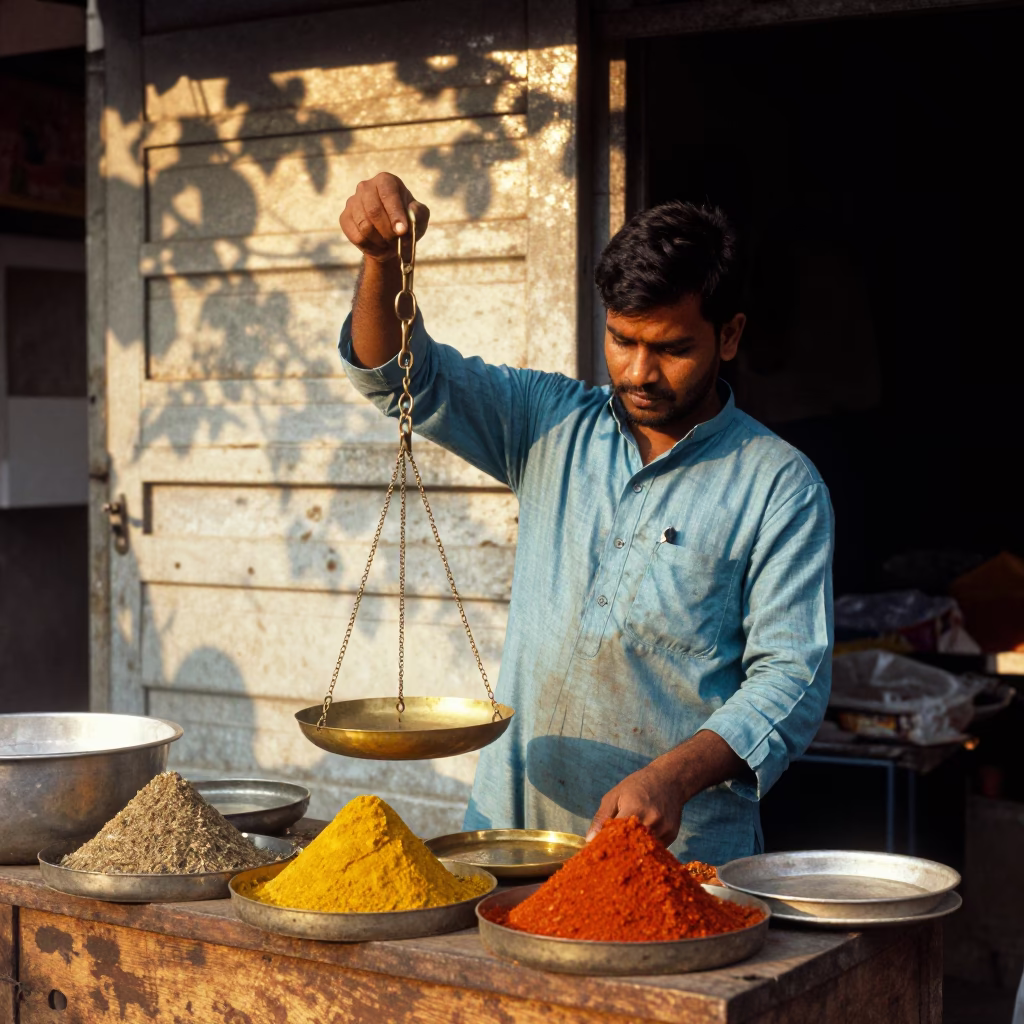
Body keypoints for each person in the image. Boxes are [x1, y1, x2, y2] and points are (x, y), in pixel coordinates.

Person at [338, 172, 834, 863]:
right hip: (512, 834)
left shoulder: (778, 484)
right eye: (622, 340)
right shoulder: (547, 423)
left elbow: (791, 679)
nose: (639, 372)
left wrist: (673, 776)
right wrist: (380, 261)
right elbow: (398, 374)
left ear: (729, 337)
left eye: (671, 348)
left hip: (674, 856)